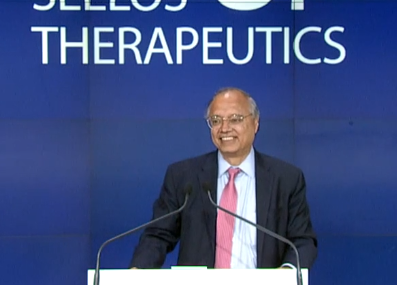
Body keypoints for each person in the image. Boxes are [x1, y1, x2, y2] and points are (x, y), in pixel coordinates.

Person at [130, 87, 317, 269]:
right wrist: (138, 270)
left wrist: (286, 273)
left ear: (256, 123)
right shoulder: (183, 176)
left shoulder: (285, 179)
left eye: (235, 119)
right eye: (216, 120)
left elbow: (302, 241)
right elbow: (157, 236)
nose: (224, 128)